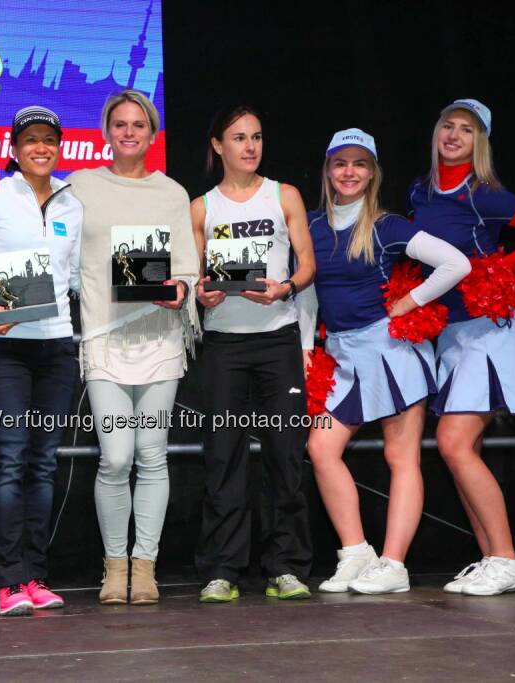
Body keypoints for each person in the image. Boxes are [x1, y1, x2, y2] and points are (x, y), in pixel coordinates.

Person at [0, 90, 200, 607]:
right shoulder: (79, 188)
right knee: (116, 459)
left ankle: (143, 568)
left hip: (161, 339)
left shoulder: (172, 192)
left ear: (152, 131)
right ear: (105, 131)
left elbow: (186, 266)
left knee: (152, 456)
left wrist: (180, 290)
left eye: (138, 124)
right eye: (119, 124)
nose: (128, 132)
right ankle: (112, 564)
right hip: (101, 339)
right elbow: (34, 212)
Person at [407, 99, 515, 596]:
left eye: (467, 130)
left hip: (490, 331)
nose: (455, 135)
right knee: (467, 448)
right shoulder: (420, 191)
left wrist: (507, 266)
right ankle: (490, 558)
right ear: (436, 131)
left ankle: (506, 558)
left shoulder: (485, 195)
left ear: (480, 142)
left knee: (454, 444)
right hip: (453, 335)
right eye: (448, 125)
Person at [300, 128, 471, 595]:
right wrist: (303, 348)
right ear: (328, 170)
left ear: (372, 172)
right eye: (340, 163)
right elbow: (306, 296)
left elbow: (457, 264)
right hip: (341, 354)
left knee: (401, 456)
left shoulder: (387, 225)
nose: (349, 172)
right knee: (321, 449)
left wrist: (410, 301)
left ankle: (394, 563)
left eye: (359, 164)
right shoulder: (311, 226)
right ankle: (356, 553)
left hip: (390, 352)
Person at [0, 106, 83, 616]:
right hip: (5, 349)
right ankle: (9, 581)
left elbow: (71, 278)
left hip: (57, 347)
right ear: (14, 149)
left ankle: (37, 575)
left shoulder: (74, 203)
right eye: (30, 140)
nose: (40, 148)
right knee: (10, 462)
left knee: (43, 466)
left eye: (49, 139)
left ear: (59, 146)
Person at [191, 105, 316, 603]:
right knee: (224, 457)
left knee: (287, 455)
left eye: (257, 137)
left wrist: (285, 287)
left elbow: (306, 264)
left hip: (277, 342)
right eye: (238, 137)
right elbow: (192, 277)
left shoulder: (284, 194)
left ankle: (285, 565)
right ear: (218, 145)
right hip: (223, 346)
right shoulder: (201, 207)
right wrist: (202, 293)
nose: (250, 146)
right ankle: (222, 569)